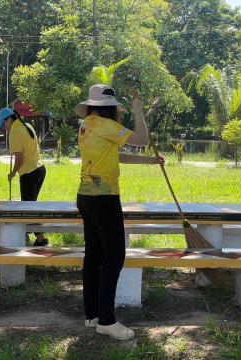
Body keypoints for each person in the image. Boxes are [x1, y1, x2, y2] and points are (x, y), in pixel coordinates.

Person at [74, 84, 164, 340]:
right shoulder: (106, 125)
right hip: (104, 199)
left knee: (93, 256)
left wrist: (150, 161)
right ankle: (106, 320)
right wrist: (138, 110)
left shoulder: (87, 125)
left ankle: (92, 315)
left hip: (85, 196)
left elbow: (117, 155)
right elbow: (142, 140)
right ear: (111, 108)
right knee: (114, 257)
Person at [0, 108, 48, 246]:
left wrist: (12, 173)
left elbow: (19, 158)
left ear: (10, 119)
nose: (4, 127)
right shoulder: (27, 125)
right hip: (40, 169)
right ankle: (30, 235)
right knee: (31, 206)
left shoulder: (15, 132)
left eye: (3, 123)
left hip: (29, 173)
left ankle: (40, 238)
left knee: (28, 208)